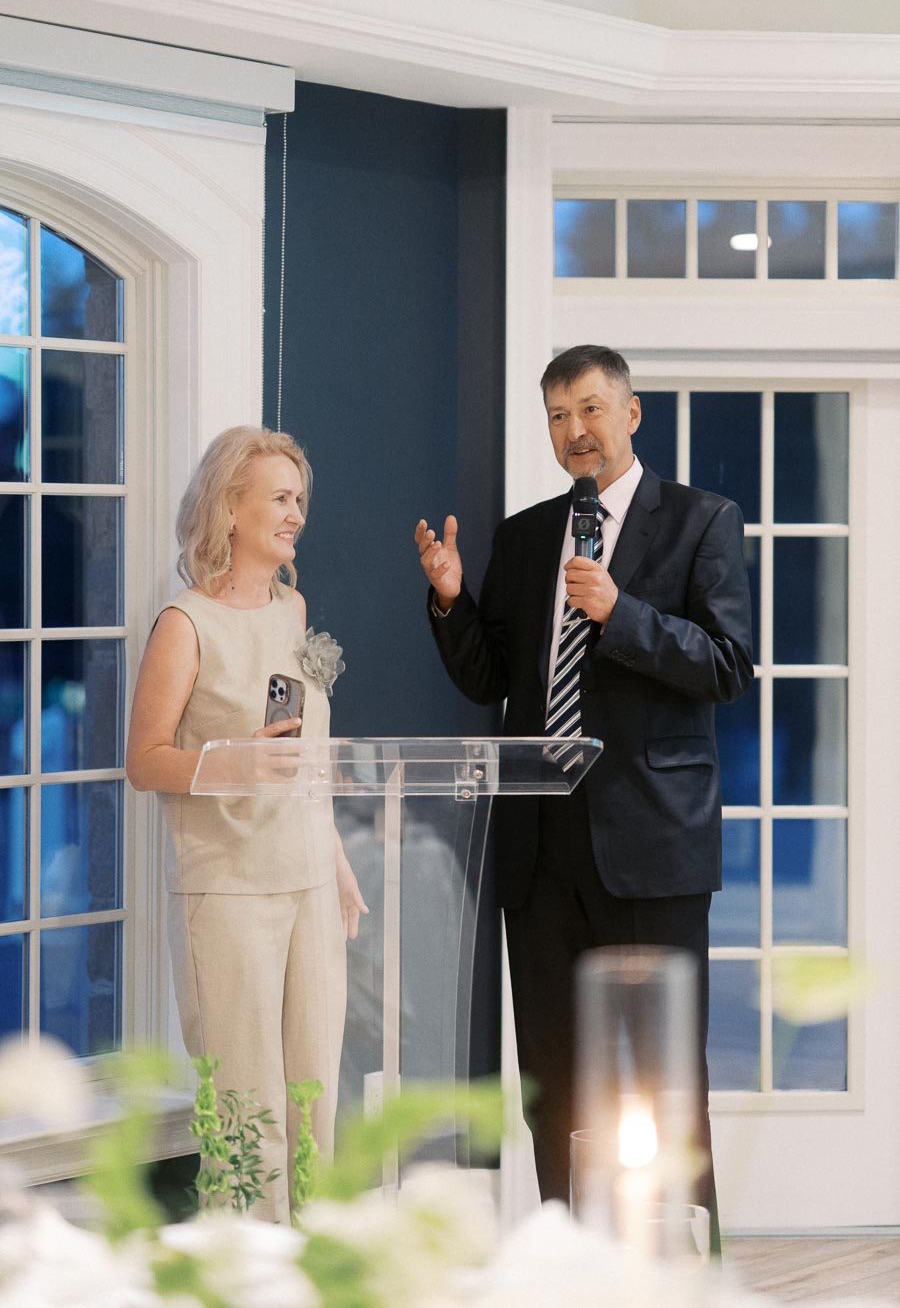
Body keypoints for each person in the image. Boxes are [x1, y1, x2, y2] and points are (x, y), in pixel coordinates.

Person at [415, 345, 753, 1246]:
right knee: (554, 1081)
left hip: (654, 849)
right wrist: (449, 601)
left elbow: (729, 666)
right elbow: (493, 678)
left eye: (592, 411)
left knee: (667, 1079)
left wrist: (622, 613)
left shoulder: (701, 522)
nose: (576, 433)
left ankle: (685, 1268)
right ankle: (569, 1260)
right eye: (560, 417)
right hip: (539, 852)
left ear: (631, 414)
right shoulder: (524, 536)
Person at [127, 425, 367, 1223]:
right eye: (278, 498)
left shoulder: (294, 608)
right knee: (247, 1104)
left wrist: (335, 862)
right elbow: (144, 759)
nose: (295, 513)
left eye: (299, 499)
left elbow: (303, 757)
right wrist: (221, 764)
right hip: (227, 891)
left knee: (314, 1097)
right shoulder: (184, 623)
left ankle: (310, 1266)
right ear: (230, 507)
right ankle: (246, 1276)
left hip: (306, 884)